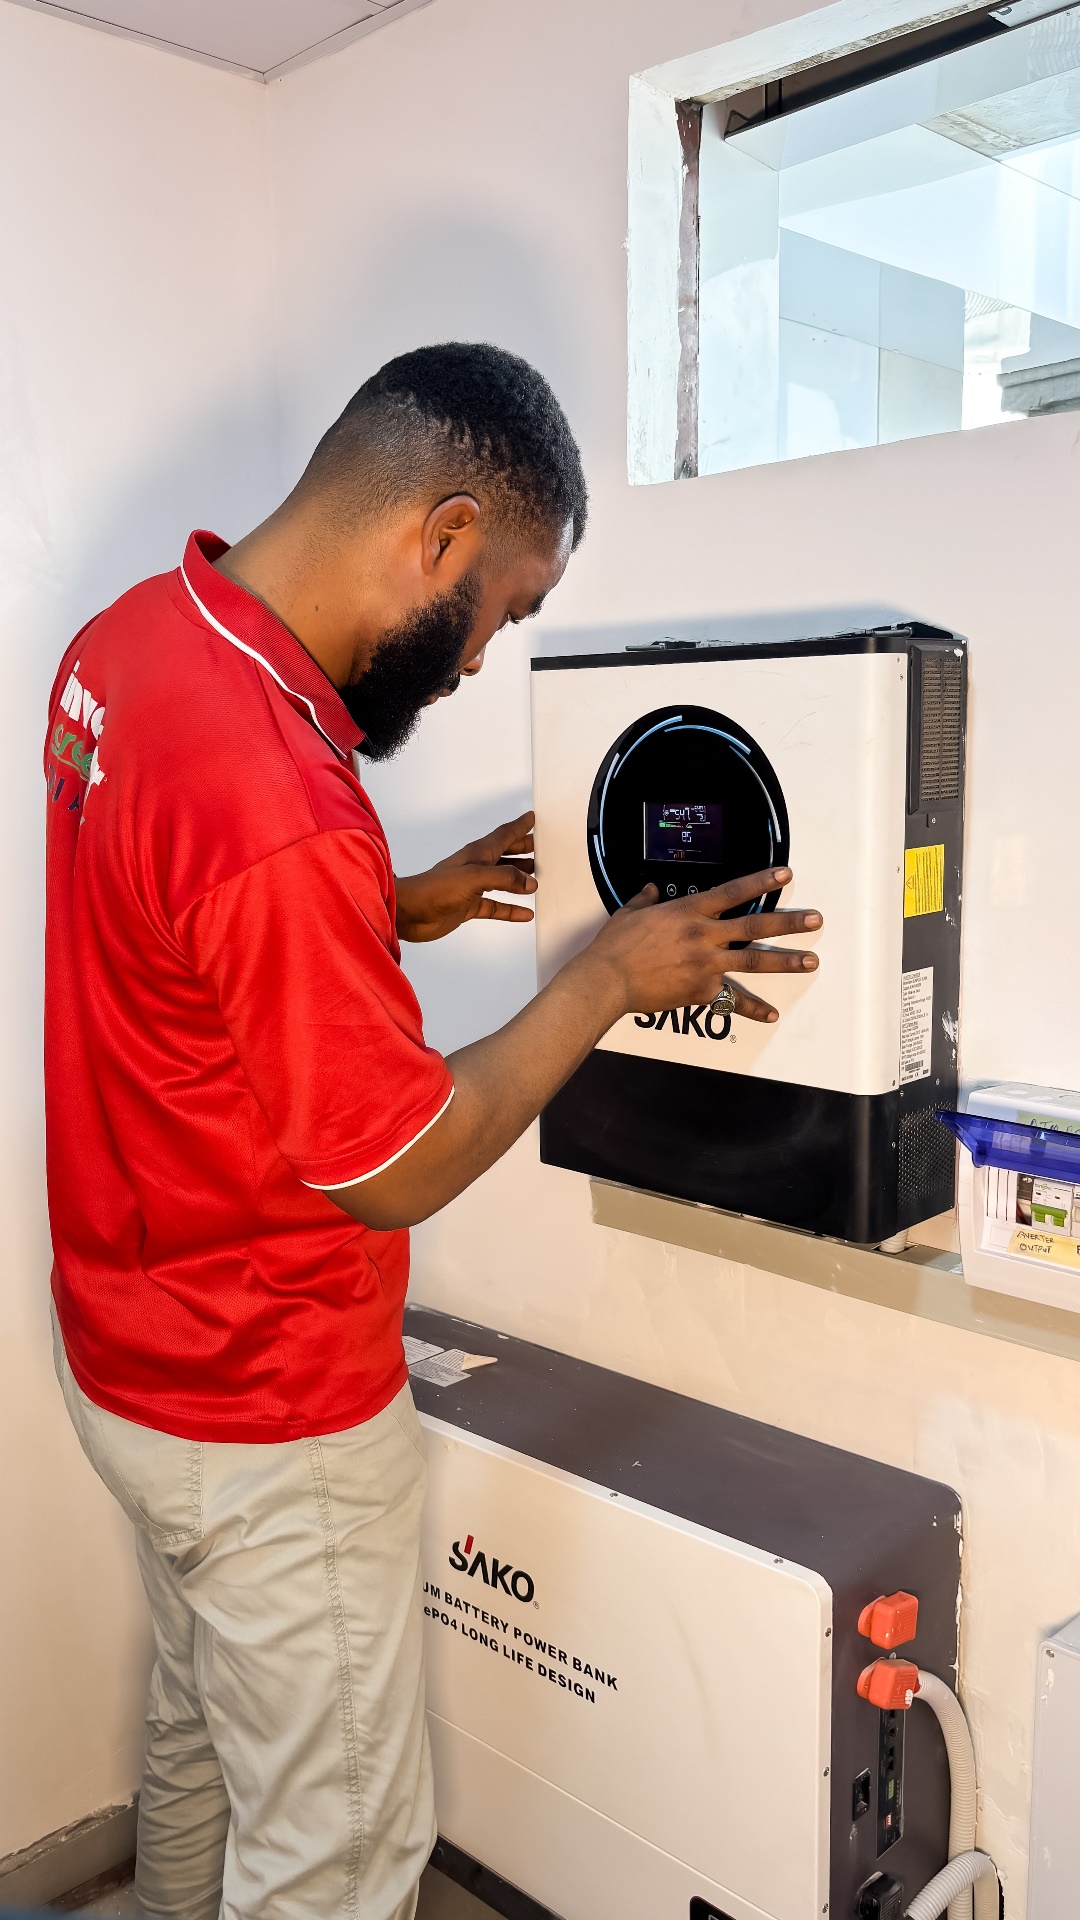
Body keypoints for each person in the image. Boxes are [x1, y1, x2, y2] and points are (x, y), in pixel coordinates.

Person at [43, 343, 822, 1920]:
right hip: (265, 1414)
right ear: (444, 534)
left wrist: (384, 903)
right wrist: (607, 976)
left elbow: (178, 921)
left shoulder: (133, 644)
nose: (478, 663)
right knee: (332, 1860)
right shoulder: (277, 800)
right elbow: (392, 1166)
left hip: (128, 1360)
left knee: (203, 1739)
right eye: (505, 611)